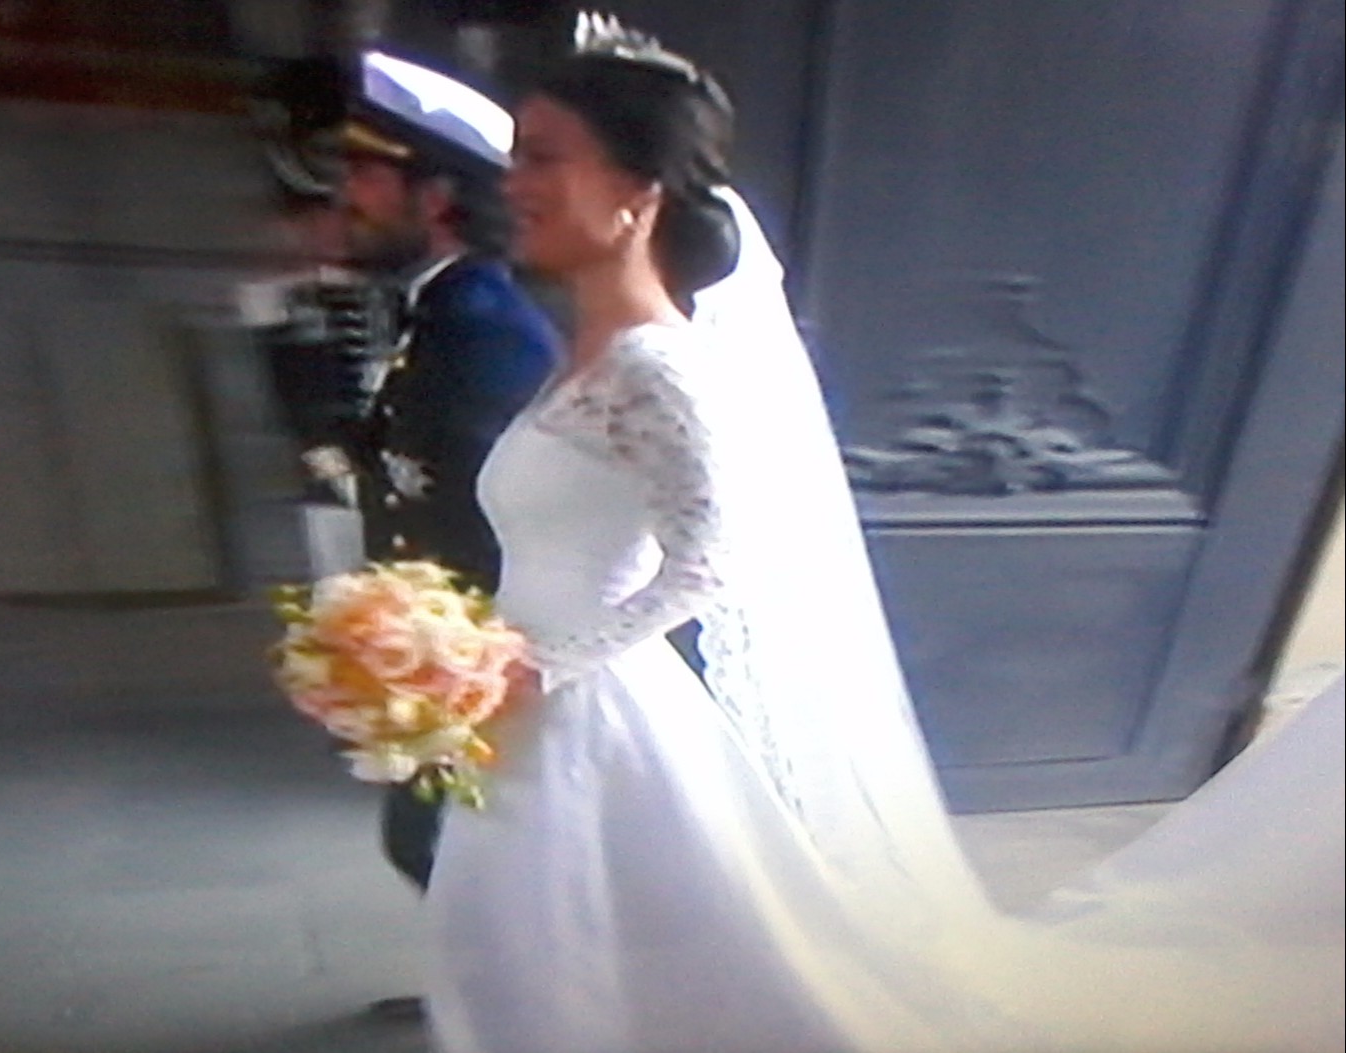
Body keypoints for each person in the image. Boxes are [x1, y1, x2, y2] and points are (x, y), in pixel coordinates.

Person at [421, 15, 1343, 1053]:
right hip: (523, 691)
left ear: (637, 191)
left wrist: (542, 666)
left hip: (580, 702)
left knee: (558, 935)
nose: (512, 183)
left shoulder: (656, 371)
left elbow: (710, 562)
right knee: (543, 934)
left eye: (541, 158)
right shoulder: (585, 353)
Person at [250, 49, 561, 1018]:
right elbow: (384, 461)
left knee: (449, 844)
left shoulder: (485, 327)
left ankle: (534, 1010)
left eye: (364, 174)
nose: (342, 196)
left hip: (490, 666)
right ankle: (496, 1001)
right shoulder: (438, 312)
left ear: (437, 196)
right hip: (443, 655)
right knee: (432, 842)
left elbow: (518, 517)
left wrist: (452, 661)